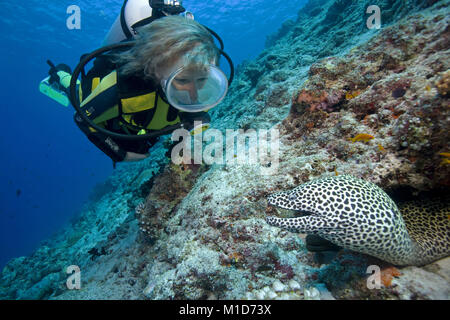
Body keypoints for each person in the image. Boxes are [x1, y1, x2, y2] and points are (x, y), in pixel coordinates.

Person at [73, 16, 228, 166]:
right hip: (107, 107)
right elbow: (81, 118)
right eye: (182, 80)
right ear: (156, 72)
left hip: (150, 121)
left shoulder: (208, 85)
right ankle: (61, 76)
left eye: (201, 79)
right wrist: (120, 154)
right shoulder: (123, 92)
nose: (193, 95)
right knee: (76, 92)